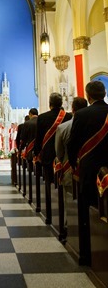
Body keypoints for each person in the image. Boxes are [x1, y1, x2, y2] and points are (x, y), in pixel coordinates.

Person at [67, 81, 108, 265]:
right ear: (104, 93)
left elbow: (72, 143)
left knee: (87, 206)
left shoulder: (82, 114)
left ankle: (87, 254)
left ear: (88, 96)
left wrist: (74, 163)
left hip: (89, 169)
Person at [34, 92, 72, 224]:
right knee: (65, 187)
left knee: (50, 184)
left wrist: (37, 153)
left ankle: (50, 215)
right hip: (65, 159)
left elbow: (38, 139)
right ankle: (67, 216)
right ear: (61, 103)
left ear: (50, 104)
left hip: (48, 157)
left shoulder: (43, 117)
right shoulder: (69, 116)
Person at [55, 97, 87, 241]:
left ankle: (70, 230)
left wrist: (65, 162)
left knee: (69, 199)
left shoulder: (63, 127)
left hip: (70, 170)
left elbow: (59, 153)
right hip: (91, 170)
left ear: (72, 109)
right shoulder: (97, 123)